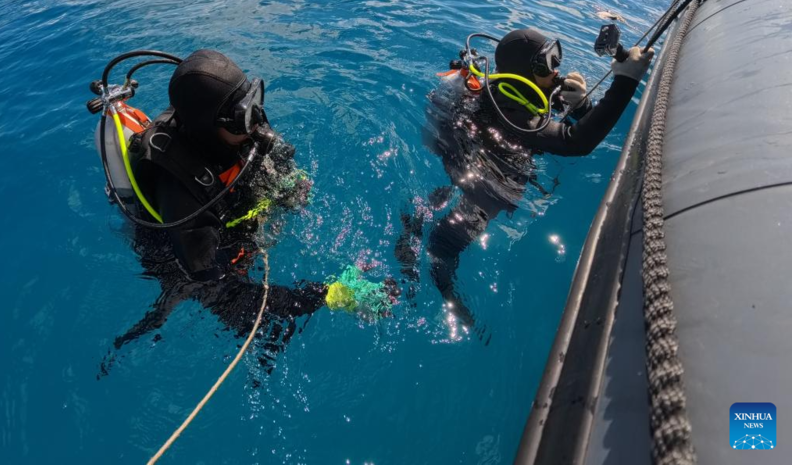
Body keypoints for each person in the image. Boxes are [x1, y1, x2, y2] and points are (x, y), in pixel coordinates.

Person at [102, 50, 398, 375]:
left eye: (254, 101)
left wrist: (290, 189)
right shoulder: (183, 200)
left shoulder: (233, 130)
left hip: (224, 194)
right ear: (211, 127)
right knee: (266, 329)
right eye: (244, 115)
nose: (257, 121)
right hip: (184, 255)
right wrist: (326, 295)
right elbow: (224, 296)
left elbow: (274, 157)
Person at [395, 28, 654, 328]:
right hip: (484, 179)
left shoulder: (512, 93)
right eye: (547, 64)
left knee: (448, 198)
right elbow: (577, 142)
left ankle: (414, 229)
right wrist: (625, 81)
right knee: (446, 245)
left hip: (468, 160)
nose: (556, 70)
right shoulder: (515, 114)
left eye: (556, 59)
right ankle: (440, 291)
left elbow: (572, 124)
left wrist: (582, 106)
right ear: (528, 71)